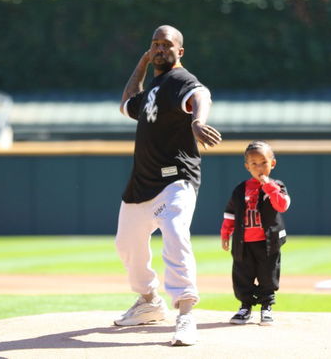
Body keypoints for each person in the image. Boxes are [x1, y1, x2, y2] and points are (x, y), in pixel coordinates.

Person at [114, 25, 222, 346]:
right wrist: (142, 63)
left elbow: (201, 93)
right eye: (155, 44)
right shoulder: (153, 89)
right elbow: (126, 104)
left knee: (175, 234)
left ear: (180, 51)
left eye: (167, 44)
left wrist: (198, 121)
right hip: (141, 183)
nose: (161, 48)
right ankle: (149, 301)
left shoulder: (179, 80)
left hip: (176, 178)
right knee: (126, 245)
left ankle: (186, 313)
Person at [220, 140, 291, 326]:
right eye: (254, 164)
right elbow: (230, 213)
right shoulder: (240, 189)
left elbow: (282, 205)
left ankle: (266, 307)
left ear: (272, 163)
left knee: (268, 274)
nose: (259, 167)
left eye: (263, 163)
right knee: (243, 274)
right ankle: (245, 306)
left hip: (267, 242)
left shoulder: (277, 185)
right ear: (247, 166)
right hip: (244, 243)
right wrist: (226, 233)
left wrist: (268, 185)